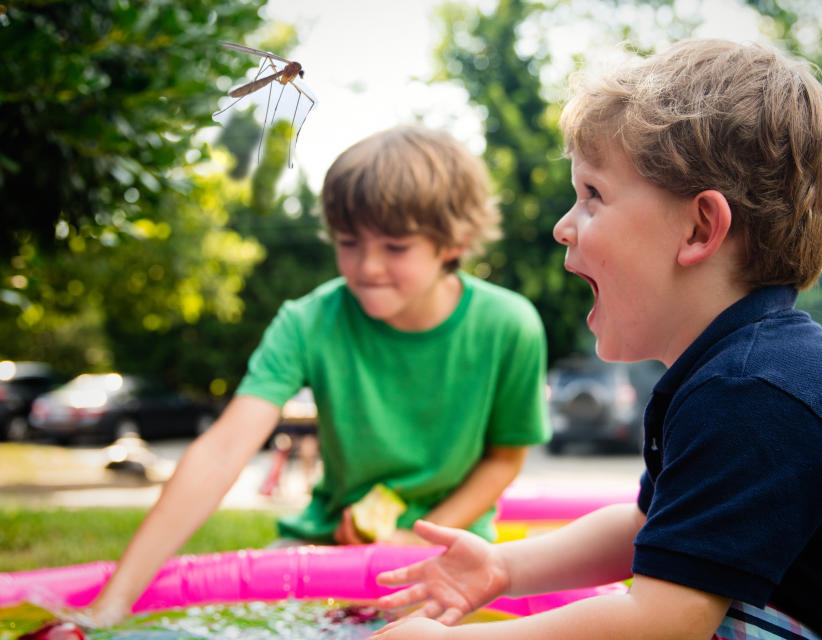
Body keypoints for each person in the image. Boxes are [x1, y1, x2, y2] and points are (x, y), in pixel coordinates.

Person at [368, 39, 822, 639]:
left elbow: (661, 623)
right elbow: (646, 526)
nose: (562, 226)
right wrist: (502, 566)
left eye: (593, 195)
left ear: (700, 227)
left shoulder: (757, 392)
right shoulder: (735, 373)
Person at [87, 124, 551, 624]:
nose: (367, 267)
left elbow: (504, 460)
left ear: (453, 242)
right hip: (325, 544)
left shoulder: (510, 325)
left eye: (395, 247)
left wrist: (416, 537)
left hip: (452, 550)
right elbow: (221, 451)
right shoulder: (308, 321)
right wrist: (113, 602)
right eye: (348, 242)